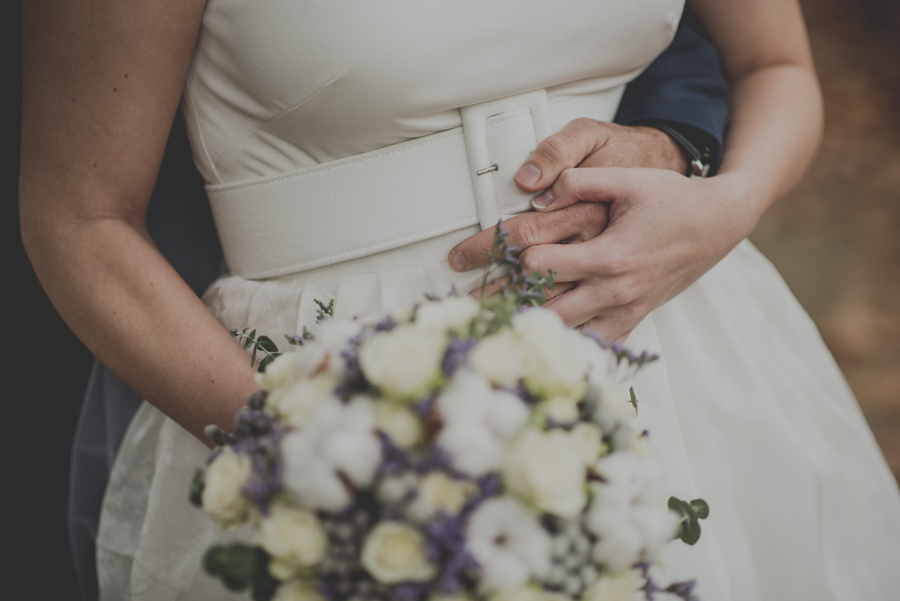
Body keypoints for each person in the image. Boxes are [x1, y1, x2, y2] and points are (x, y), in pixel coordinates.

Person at [20, 1, 900, 601]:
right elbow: (79, 216)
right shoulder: (330, 452)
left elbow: (776, 65)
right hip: (329, 397)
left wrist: (723, 203)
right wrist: (326, 463)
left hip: (688, 351)